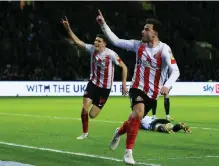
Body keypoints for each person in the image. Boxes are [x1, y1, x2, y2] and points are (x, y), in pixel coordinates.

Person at [96, 10, 180, 165]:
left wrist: (167, 86)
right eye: (144, 28)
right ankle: (128, 152)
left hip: (153, 93)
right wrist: (103, 25)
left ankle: (118, 133)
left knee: (135, 119)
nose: (143, 31)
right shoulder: (137, 46)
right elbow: (116, 41)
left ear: (155, 33)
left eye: (147, 29)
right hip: (137, 87)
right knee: (139, 112)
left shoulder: (164, 49)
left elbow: (175, 70)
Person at [61, 16, 128, 140]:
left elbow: (124, 67)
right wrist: (68, 28)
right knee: (84, 107)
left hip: (105, 89)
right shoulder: (92, 49)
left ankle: (93, 118)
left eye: (99, 41)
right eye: (95, 40)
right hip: (93, 84)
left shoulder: (111, 54)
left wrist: (124, 85)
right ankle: (85, 133)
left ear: (105, 43)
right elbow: (77, 42)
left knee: (92, 115)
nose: (95, 43)